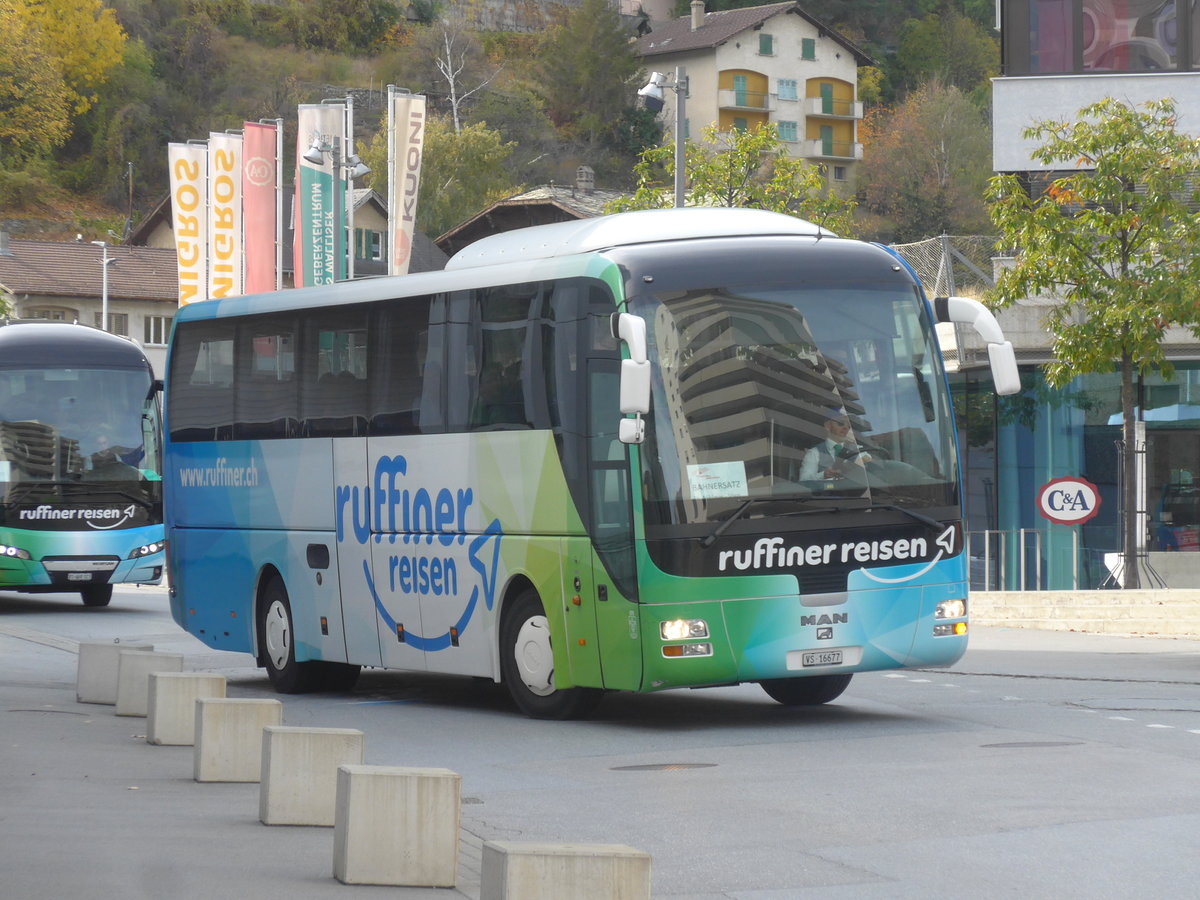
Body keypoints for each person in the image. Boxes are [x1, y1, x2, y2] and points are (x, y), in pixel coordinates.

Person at [798, 408, 871, 480]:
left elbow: (870, 462)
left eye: (849, 425)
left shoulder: (858, 449)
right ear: (828, 426)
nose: (846, 427)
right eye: (841, 423)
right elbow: (804, 480)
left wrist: (868, 461)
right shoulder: (814, 453)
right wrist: (823, 475)